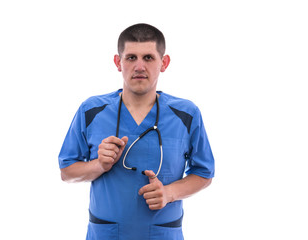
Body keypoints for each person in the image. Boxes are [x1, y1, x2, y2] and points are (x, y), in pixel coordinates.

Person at [58, 23, 215, 240]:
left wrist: (169, 193)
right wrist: (99, 165)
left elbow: (204, 173)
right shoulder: (91, 110)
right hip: (105, 234)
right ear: (118, 62)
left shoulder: (187, 114)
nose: (139, 66)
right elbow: (66, 172)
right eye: (131, 57)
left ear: (164, 62)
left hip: (162, 234)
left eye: (148, 58)